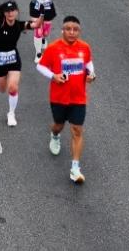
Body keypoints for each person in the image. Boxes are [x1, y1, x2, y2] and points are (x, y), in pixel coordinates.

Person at [36, 15, 95, 184]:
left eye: (75, 29)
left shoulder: (84, 47)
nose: (72, 32)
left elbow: (89, 64)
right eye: (68, 29)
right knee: (59, 125)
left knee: (77, 130)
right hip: (59, 98)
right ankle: (55, 135)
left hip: (78, 98)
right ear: (62, 30)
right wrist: (53, 76)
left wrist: (92, 75)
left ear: (79, 31)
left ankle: (75, 168)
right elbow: (40, 66)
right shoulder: (53, 48)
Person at [0, 0, 40, 127]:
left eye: (12, 10)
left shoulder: (19, 25)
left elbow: (36, 25)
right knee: (2, 90)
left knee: (12, 88)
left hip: (13, 61)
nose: (10, 13)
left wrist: (43, 14)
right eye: (7, 11)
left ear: (16, 12)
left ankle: (11, 113)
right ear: (4, 13)